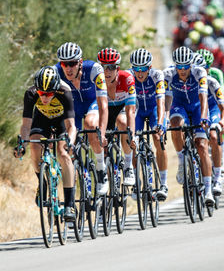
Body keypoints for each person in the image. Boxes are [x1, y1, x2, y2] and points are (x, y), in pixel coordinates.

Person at [14, 66, 77, 221]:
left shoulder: (64, 92)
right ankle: (42, 183)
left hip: (61, 121)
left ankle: (69, 204)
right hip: (42, 120)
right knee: (34, 145)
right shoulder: (31, 94)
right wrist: (22, 145)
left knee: (63, 154)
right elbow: (26, 125)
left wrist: (69, 143)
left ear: (55, 90)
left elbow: (71, 126)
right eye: (41, 93)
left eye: (48, 94)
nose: (44, 97)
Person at [55, 42, 109, 195]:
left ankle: (101, 170)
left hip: (93, 103)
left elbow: (103, 105)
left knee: (90, 124)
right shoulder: (56, 72)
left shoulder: (94, 69)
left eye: (72, 63)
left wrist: (102, 133)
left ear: (80, 62)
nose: (68, 68)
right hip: (74, 107)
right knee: (67, 144)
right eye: (64, 64)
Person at [164, 46, 214, 205]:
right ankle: (181, 162)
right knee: (175, 124)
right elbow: (167, 99)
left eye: (186, 66)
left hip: (198, 107)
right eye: (179, 66)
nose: (182, 70)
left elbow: (204, 98)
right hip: (179, 105)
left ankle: (208, 190)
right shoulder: (168, 74)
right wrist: (165, 119)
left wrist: (204, 117)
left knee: (202, 146)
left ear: (191, 65)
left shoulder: (200, 72)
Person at [129, 48, 169, 200]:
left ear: (150, 67)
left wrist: (160, 123)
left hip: (154, 109)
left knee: (158, 139)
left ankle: (163, 183)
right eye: (136, 69)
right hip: (138, 111)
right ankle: (136, 181)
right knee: (133, 143)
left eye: (143, 69)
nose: (140, 73)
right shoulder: (129, 76)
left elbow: (161, 102)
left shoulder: (157, 75)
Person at [97, 48, 137, 186]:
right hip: (107, 109)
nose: (107, 71)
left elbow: (130, 111)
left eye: (111, 67)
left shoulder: (127, 78)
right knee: (102, 139)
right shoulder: (97, 81)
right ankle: (107, 176)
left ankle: (128, 166)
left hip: (124, 107)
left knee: (122, 122)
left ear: (117, 68)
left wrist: (131, 134)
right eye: (103, 67)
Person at [192, 52, 224, 196]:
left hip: (213, 108)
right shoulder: (187, 81)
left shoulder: (213, 80)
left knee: (213, 136)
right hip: (197, 109)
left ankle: (217, 177)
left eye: (205, 68)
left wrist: (222, 121)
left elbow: (223, 107)